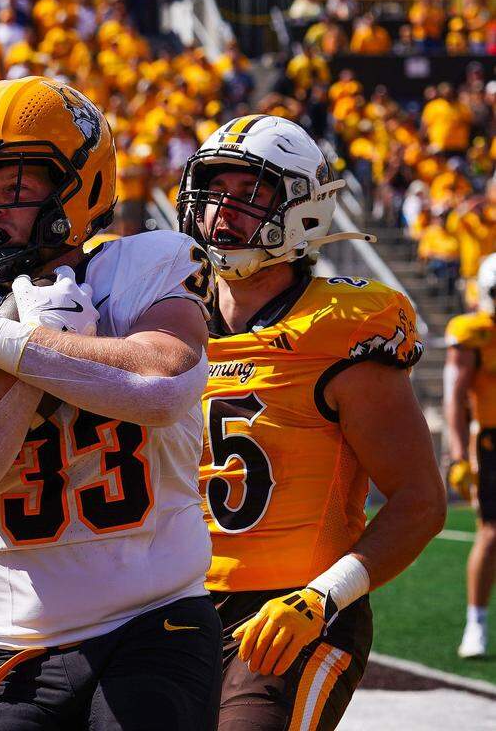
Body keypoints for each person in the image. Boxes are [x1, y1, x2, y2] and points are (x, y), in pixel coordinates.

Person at [0, 76, 220, 729]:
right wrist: (29, 341)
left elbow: (166, 385)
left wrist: (9, 343)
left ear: (82, 183)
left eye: (12, 186)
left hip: (156, 616)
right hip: (14, 642)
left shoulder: (149, 263)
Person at [176, 114, 446, 730]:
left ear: (303, 209)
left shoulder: (343, 326)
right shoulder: (166, 320)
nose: (222, 211)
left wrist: (324, 596)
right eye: (213, 190)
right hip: (171, 606)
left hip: (296, 610)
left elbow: (419, 501)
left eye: (249, 194)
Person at [444, 252, 496, 659]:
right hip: (493, 441)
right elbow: (455, 396)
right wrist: (460, 455)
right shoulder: (474, 332)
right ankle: (475, 623)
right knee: (491, 534)